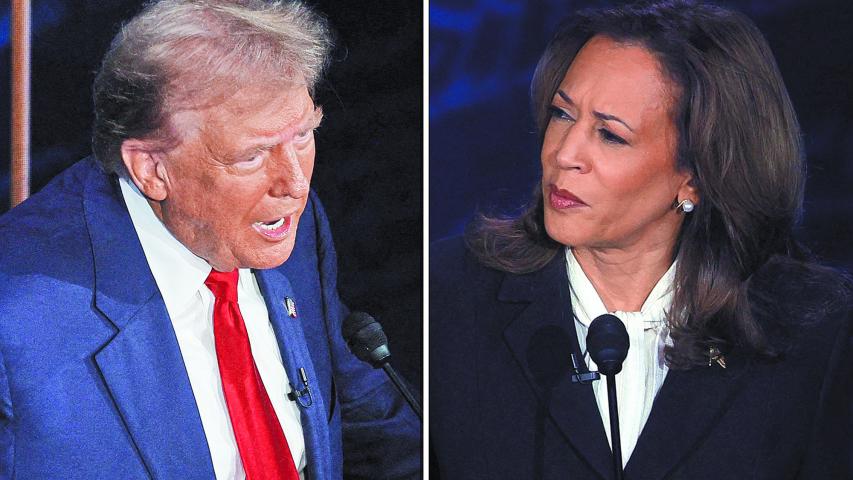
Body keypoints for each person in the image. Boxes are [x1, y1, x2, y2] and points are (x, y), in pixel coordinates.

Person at [430, 1, 851, 479]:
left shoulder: (817, 333)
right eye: (562, 115)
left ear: (696, 176)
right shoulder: (448, 297)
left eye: (609, 135)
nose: (564, 154)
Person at [0, 0, 420, 478]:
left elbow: (380, 437)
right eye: (252, 156)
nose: (295, 184)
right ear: (152, 170)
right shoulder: (17, 326)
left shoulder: (287, 230)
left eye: (303, 135)